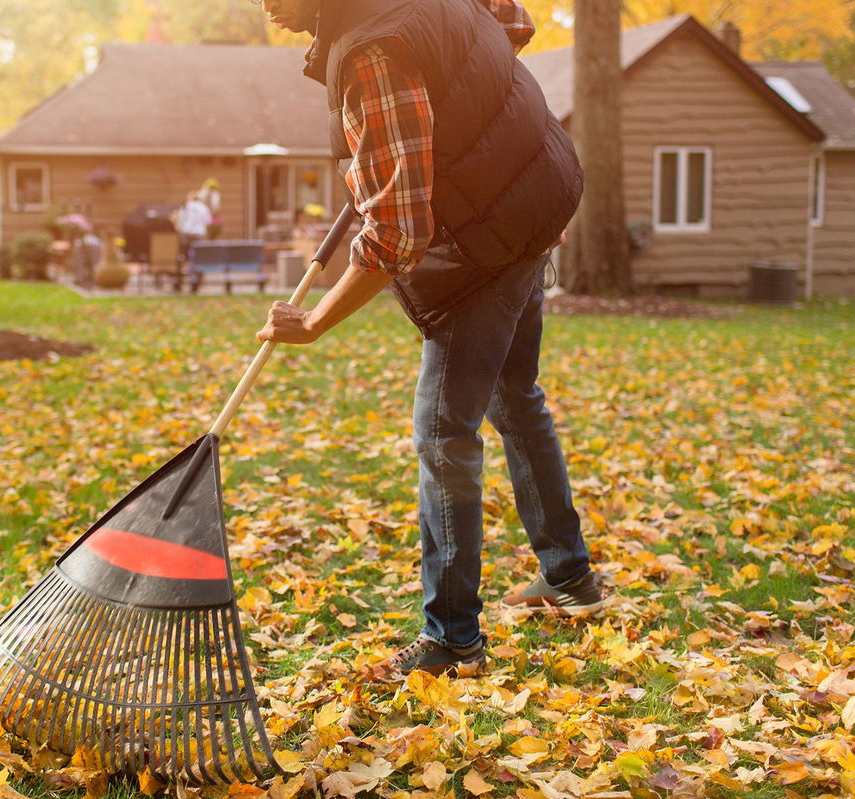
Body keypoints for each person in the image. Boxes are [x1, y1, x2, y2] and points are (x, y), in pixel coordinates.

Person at [255, 0, 602, 679]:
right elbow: (509, 21)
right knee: (512, 393)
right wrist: (431, 122)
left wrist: (315, 322)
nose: (266, 9)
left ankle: (452, 640)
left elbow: (397, 237)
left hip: (493, 237)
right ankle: (569, 575)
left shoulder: (372, 53)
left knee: (444, 432)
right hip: (535, 195)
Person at [172, 191, 213, 263]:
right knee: (198, 253)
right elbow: (208, 222)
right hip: (199, 234)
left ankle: (184, 263)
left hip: (186, 234)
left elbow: (180, 220)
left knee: (184, 253)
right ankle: (197, 266)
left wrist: (178, 228)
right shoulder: (203, 207)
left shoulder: (185, 206)